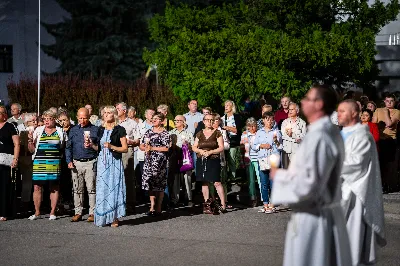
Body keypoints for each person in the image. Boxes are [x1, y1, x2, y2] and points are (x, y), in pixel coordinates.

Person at [270, 84, 352, 266]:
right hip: (320, 211)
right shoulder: (325, 131)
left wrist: (280, 176)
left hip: (315, 216)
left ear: (319, 104)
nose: (302, 101)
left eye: (307, 98)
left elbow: (310, 184)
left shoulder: (319, 136)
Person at [337, 100, 386, 266]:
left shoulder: (363, 136)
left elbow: (357, 164)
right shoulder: (343, 133)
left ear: (354, 114)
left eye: (342, 111)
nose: (338, 115)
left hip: (355, 197)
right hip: (341, 191)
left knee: (353, 242)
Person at [92, 106, 127, 227]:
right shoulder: (99, 129)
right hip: (102, 162)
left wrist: (112, 146)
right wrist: (91, 144)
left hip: (114, 161)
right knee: (103, 189)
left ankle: (114, 217)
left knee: (114, 187)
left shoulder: (119, 129)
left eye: (109, 113)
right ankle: (103, 217)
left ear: (114, 115)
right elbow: (98, 148)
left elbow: (125, 148)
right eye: (105, 113)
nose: (106, 115)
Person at [28, 110, 67, 221]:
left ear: (54, 119)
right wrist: (30, 140)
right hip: (39, 163)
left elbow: (62, 146)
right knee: (37, 187)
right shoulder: (38, 130)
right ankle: (37, 212)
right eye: (45, 119)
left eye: (49, 119)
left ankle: (52, 212)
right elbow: (31, 150)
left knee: (54, 187)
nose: (46, 121)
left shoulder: (60, 131)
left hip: (54, 163)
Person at [65, 108, 98, 222]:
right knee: (77, 189)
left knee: (91, 189)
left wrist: (92, 145)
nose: (82, 120)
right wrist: (69, 161)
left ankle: (92, 213)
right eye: (80, 118)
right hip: (76, 163)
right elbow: (68, 147)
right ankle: (78, 212)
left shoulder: (95, 129)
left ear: (89, 117)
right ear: (77, 117)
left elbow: (100, 148)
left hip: (90, 162)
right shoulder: (73, 130)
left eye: (84, 118)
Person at [192, 113, 226, 214]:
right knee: (204, 182)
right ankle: (207, 204)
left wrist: (210, 152)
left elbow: (221, 147)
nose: (210, 122)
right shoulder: (199, 133)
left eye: (212, 120)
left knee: (217, 182)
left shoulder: (217, 132)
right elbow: (194, 146)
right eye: (207, 120)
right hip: (201, 159)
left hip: (213, 159)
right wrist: (201, 151)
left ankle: (223, 204)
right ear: (204, 121)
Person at [140, 112, 171, 216]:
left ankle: (158, 207)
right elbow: (141, 145)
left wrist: (152, 148)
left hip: (160, 162)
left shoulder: (165, 133)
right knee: (150, 184)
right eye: (153, 118)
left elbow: (166, 148)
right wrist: (145, 148)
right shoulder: (148, 132)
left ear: (161, 121)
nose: (154, 120)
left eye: (156, 119)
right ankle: (152, 206)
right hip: (149, 161)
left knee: (159, 185)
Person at [251, 112, 282, 213]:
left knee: (273, 183)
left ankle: (272, 205)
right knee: (264, 183)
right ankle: (265, 204)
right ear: (263, 120)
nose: (270, 121)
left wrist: (275, 141)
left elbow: (280, 147)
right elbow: (254, 146)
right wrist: (261, 146)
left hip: (273, 158)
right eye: (267, 119)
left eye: (271, 119)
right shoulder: (259, 132)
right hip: (262, 158)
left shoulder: (277, 132)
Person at [372, 94, 400, 192]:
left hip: (390, 140)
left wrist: (386, 113)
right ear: (384, 101)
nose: (389, 103)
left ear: (394, 102)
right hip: (380, 139)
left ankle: (387, 184)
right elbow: (374, 124)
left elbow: (389, 124)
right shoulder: (378, 110)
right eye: (387, 101)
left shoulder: (397, 112)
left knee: (388, 163)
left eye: (391, 101)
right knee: (379, 162)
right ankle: (380, 184)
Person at [116, 102, 139, 214]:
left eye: (118, 108)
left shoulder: (132, 123)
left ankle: (130, 204)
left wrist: (130, 141)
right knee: (116, 177)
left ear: (124, 111)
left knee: (128, 178)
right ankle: (118, 203)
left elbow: (138, 140)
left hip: (127, 151)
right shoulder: (113, 122)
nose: (116, 110)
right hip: (115, 150)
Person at [169, 115, 195, 207]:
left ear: (183, 122)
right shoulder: (171, 133)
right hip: (175, 158)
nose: (175, 122)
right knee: (175, 179)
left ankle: (188, 199)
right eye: (175, 120)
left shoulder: (189, 133)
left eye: (178, 121)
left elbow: (193, 147)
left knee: (187, 179)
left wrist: (188, 146)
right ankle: (174, 199)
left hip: (185, 158)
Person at [0, 106, 20, 221]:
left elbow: (16, 144)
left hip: (6, 161)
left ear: (4, 115)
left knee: (5, 186)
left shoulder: (10, 126)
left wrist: (15, 159)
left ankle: (4, 212)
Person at [240, 117, 262, 207]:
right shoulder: (245, 134)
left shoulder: (260, 133)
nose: (252, 128)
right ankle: (253, 198)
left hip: (258, 158)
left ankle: (263, 198)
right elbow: (241, 147)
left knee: (260, 179)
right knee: (251, 180)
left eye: (254, 126)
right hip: (248, 158)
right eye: (250, 126)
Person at [221, 100, 244, 184]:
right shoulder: (222, 118)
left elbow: (238, 130)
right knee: (223, 160)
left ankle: (232, 178)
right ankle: (224, 177)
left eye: (228, 105)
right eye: (225, 105)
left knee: (232, 160)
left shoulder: (237, 117)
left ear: (232, 107)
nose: (226, 107)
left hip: (234, 141)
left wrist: (227, 127)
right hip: (224, 141)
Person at [19, 113, 37, 209]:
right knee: (27, 182)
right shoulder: (23, 132)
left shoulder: (39, 130)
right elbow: (22, 147)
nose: (35, 122)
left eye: (35, 120)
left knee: (37, 183)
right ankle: (25, 202)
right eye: (32, 121)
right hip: (27, 159)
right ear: (27, 122)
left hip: (36, 159)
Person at [281, 102, 307, 168]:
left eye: (292, 109)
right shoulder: (285, 122)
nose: (290, 111)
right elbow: (284, 136)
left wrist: (292, 134)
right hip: (286, 150)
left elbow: (303, 137)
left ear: (297, 110)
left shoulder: (302, 123)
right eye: (289, 109)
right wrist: (296, 139)